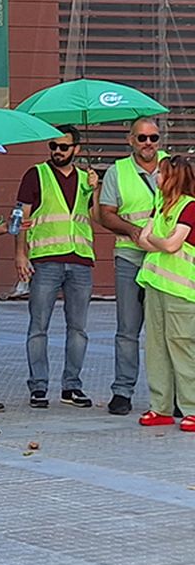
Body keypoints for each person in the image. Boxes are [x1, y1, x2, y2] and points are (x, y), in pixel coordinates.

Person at [14, 125, 98, 409]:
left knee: (78, 329)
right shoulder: (35, 174)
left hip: (81, 259)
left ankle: (71, 387)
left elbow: (95, 216)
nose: (57, 152)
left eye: (64, 147)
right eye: (53, 146)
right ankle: (38, 387)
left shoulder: (87, 178)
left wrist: (95, 190)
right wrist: (20, 254)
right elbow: (21, 218)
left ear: (76, 148)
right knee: (38, 326)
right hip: (46, 260)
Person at [97, 116, 167, 415]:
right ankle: (122, 391)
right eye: (142, 138)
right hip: (130, 255)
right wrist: (131, 230)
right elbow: (106, 213)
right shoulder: (118, 171)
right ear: (131, 140)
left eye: (153, 138)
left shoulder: (172, 166)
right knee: (128, 329)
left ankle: (169, 396)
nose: (148, 144)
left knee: (165, 330)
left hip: (166, 257)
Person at [133, 153, 195, 429]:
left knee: (182, 347)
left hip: (182, 292)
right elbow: (142, 240)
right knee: (156, 347)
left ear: (172, 178)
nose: (156, 177)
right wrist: (160, 240)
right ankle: (161, 407)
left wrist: (156, 240)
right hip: (155, 285)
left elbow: (170, 245)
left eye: (160, 173)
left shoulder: (190, 207)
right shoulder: (160, 205)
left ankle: (191, 407)